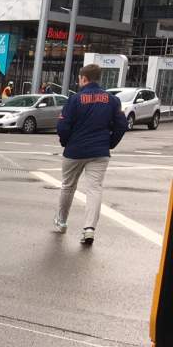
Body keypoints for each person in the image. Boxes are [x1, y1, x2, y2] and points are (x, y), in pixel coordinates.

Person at [53, 64, 127, 246]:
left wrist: (66, 142)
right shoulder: (112, 100)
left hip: (75, 151)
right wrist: (110, 143)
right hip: (100, 152)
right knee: (94, 189)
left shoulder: (75, 99)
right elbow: (121, 125)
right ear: (97, 78)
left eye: (79, 78)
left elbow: (63, 126)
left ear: (83, 78)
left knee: (68, 186)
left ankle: (62, 222)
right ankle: (89, 229)